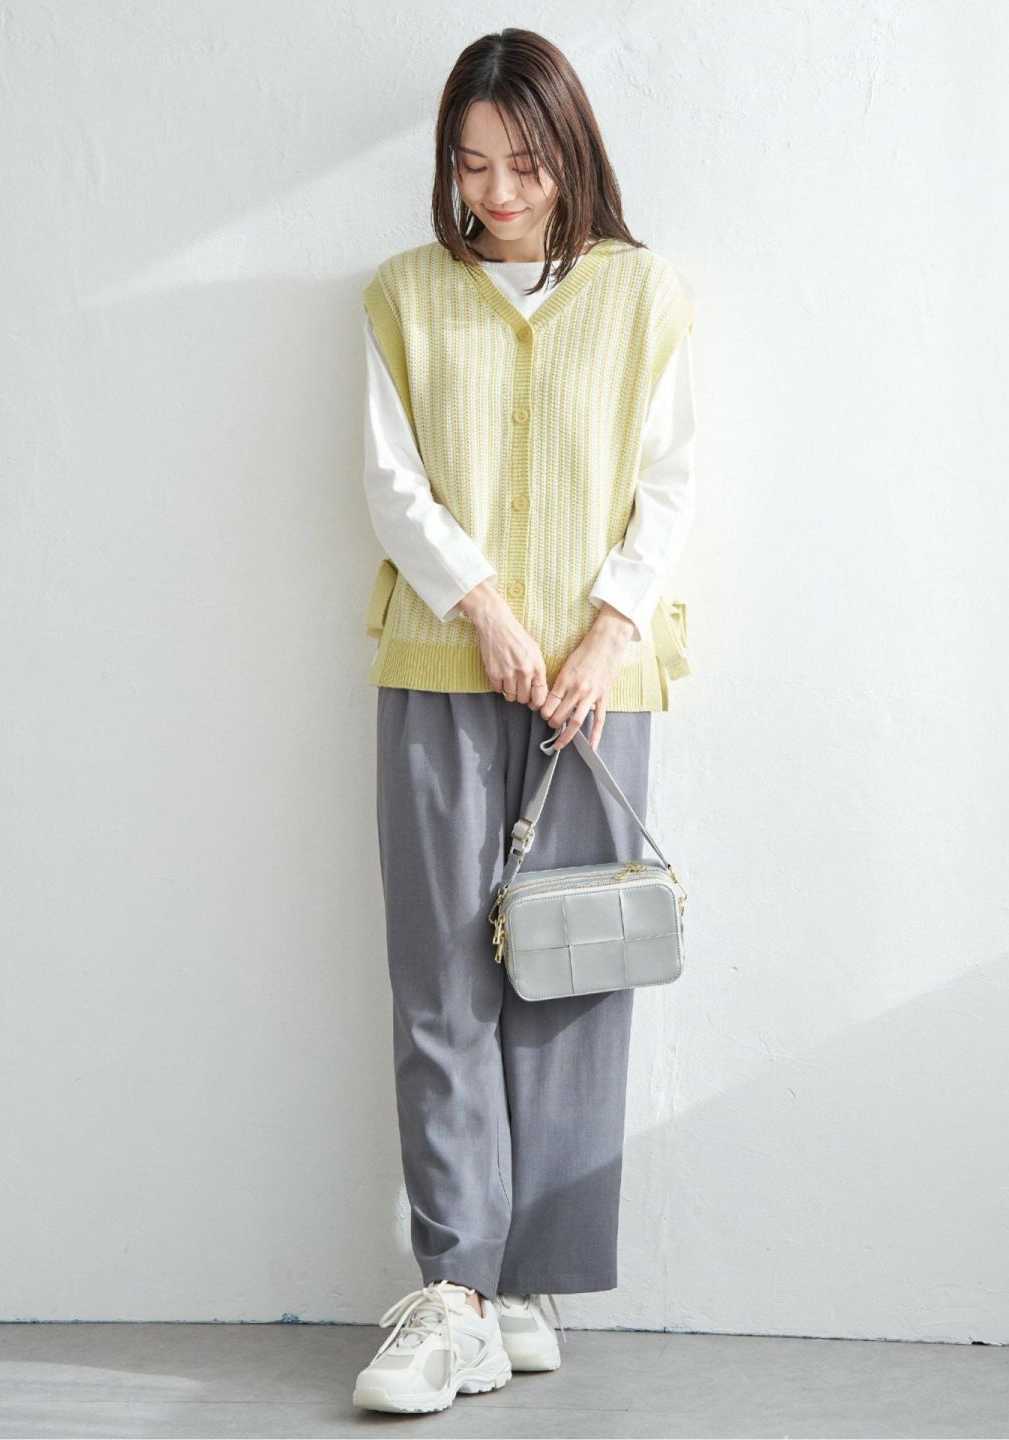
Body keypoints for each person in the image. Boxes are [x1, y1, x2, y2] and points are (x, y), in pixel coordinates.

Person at [352, 26, 697, 1416]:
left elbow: (672, 481)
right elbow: (393, 483)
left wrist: (606, 629)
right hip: (444, 666)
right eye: (472, 164)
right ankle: (457, 1288)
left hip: (597, 689)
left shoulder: (643, 293)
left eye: (525, 163)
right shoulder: (402, 295)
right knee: (441, 979)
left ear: (571, 155)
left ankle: (530, 1287)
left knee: (570, 974)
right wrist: (486, 610)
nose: (497, 193)